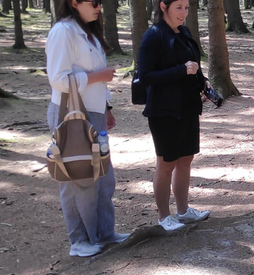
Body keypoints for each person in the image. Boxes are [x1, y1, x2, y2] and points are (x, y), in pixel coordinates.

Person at [45, 0, 129, 257]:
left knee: (103, 174)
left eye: (102, 2)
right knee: (75, 176)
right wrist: (98, 77)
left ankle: (104, 233)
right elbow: (58, 79)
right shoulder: (63, 31)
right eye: (94, 2)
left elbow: (95, 77)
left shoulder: (89, 31)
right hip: (71, 115)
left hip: (95, 113)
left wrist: (106, 108)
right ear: (73, 2)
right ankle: (79, 240)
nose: (99, 7)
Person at [138, 0, 210, 232]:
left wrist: (203, 82)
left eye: (187, 7)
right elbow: (146, 76)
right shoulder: (153, 35)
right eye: (178, 7)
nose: (184, 12)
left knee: (186, 159)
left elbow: (193, 65)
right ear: (163, 6)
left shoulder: (184, 32)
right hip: (164, 110)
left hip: (188, 107)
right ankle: (163, 217)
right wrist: (181, 70)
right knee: (166, 162)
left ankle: (183, 211)